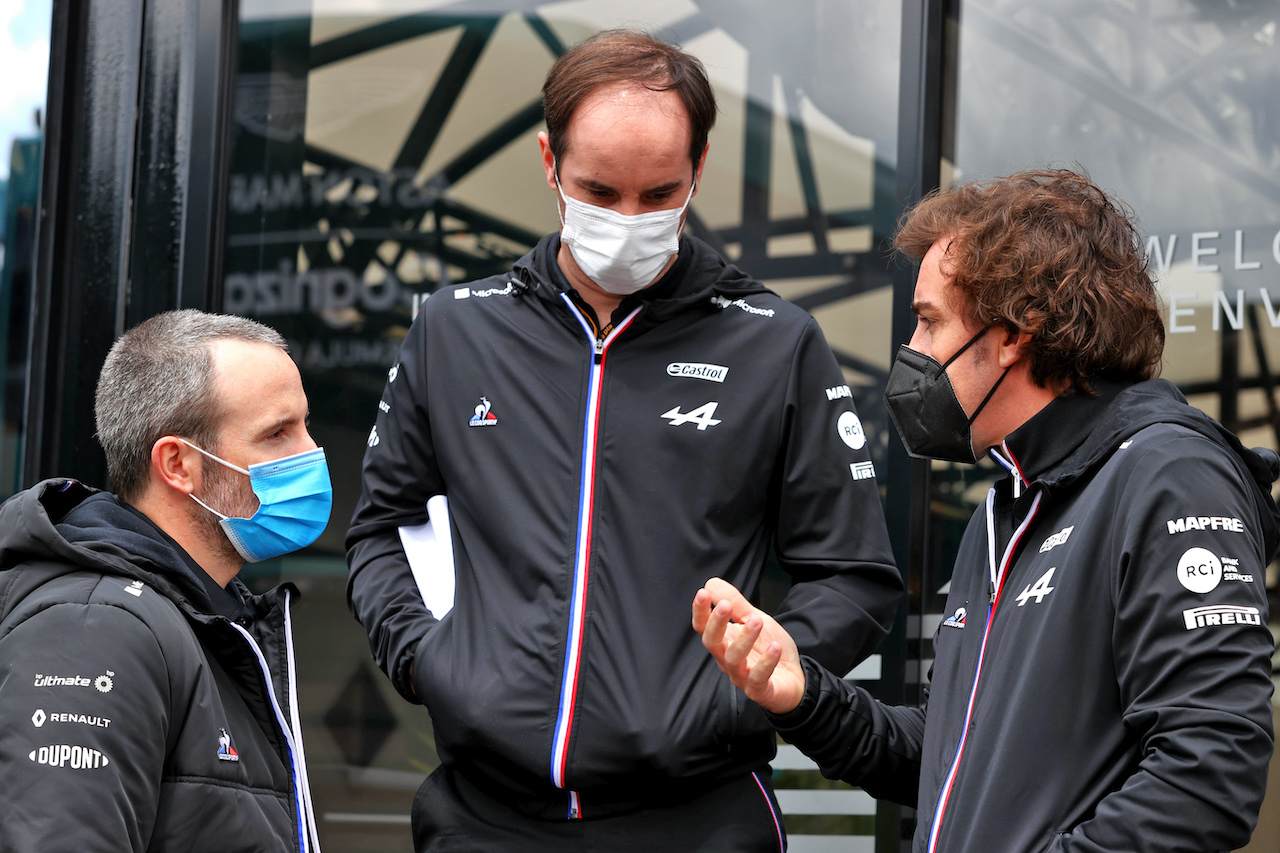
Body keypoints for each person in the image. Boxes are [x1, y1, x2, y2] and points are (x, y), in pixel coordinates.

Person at [345, 28, 903, 852]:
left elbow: (854, 574)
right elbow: (381, 529)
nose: (629, 219)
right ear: (548, 162)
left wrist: (745, 683)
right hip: (481, 815)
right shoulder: (455, 330)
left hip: (700, 815)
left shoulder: (775, 342)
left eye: (658, 192)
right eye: (599, 191)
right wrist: (431, 662)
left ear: (699, 170)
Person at [694, 168, 1279, 852]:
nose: (912, 351)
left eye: (929, 320)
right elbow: (947, 758)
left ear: (1016, 331)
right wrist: (802, 694)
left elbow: (1207, 777)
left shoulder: (1168, 474)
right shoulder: (1004, 508)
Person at [0, 310, 330, 852]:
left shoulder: (204, 619)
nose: (311, 453)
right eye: (277, 433)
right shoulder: (95, 628)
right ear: (178, 464)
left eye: (304, 425)